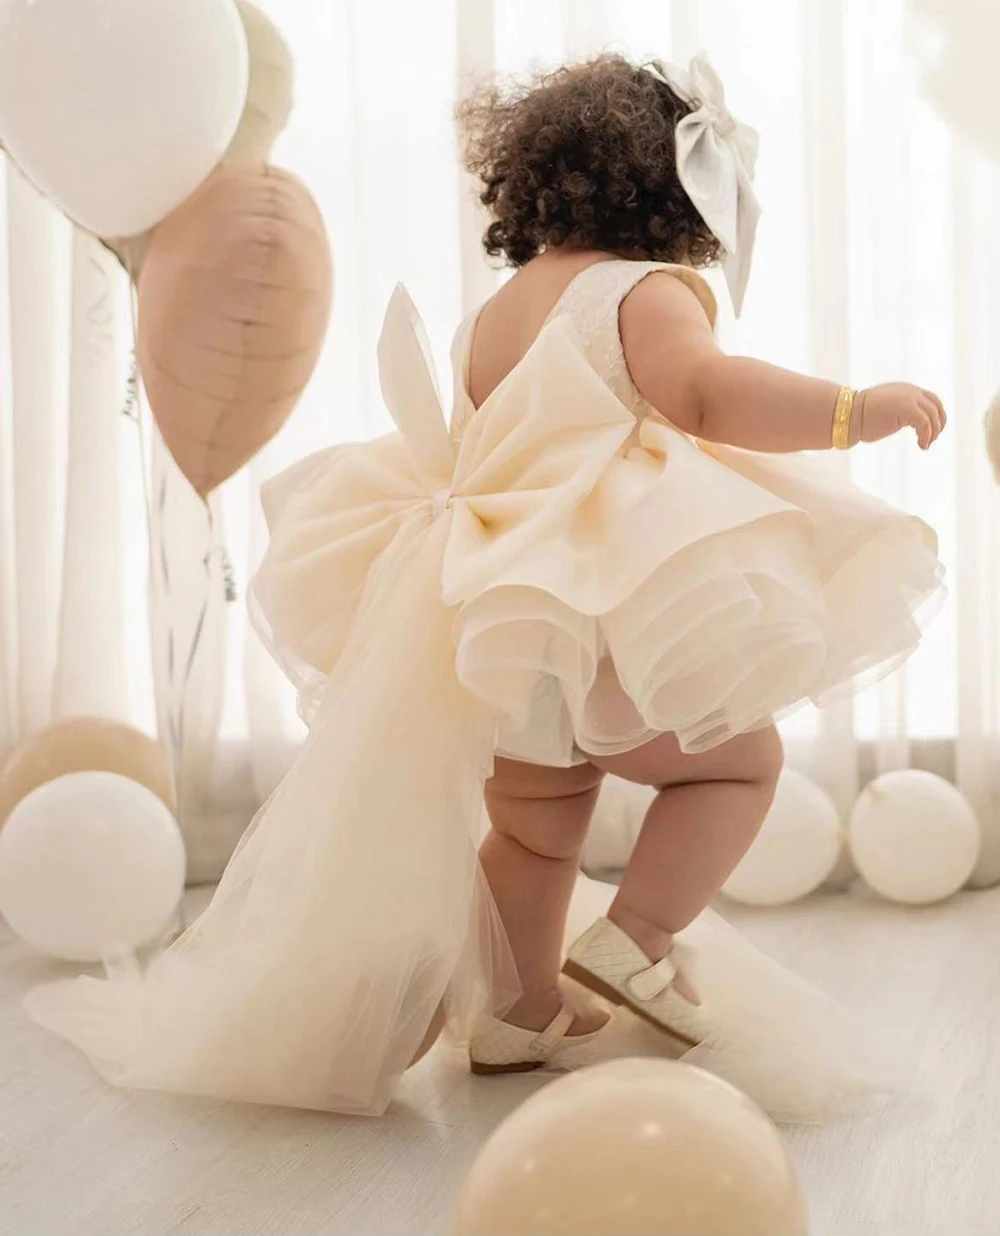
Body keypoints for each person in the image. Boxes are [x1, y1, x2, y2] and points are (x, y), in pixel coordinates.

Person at [27, 53, 944, 1117]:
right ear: (673, 192)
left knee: (535, 826)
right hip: (592, 613)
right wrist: (850, 408)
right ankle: (637, 943)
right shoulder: (643, 292)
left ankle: (518, 1011)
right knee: (735, 766)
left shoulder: (505, 307)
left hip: (493, 616)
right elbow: (702, 392)